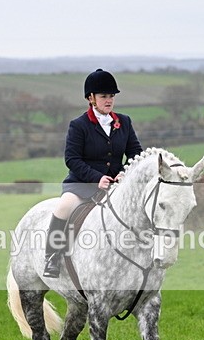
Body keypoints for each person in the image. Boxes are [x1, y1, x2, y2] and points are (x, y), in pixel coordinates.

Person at [43, 69, 143, 278]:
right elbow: (72, 159)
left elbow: (135, 153)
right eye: (104, 96)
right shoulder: (79, 125)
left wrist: (124, 172)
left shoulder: (124, 122)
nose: (109, 100)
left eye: (112, 96)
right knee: (63, 207)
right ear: (91, 98)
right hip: (82, 184)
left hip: (116, 184)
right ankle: (52, 256)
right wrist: (97, 178)